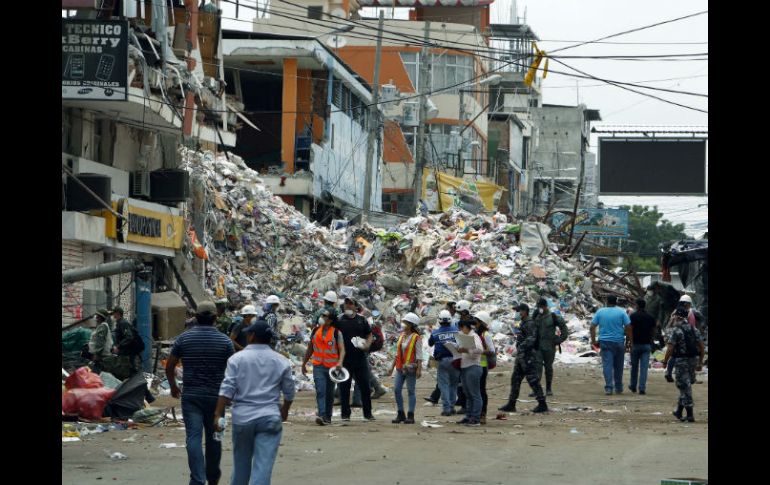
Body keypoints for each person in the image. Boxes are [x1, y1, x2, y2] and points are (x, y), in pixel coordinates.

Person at [214, 321, 294, 485]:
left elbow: (227, 387)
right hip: (270, 416)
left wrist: (217, 413)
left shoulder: (237, 359)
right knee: (263, 466)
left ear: (251, 336)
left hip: (242, 417)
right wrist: (285, 410)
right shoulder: (281, 361)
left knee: (241, 464)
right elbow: (289, 390)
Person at [166, 301, 234, 485]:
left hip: (191, 397)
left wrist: (173, 386)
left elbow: (170, 365)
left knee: (193, 438)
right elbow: (234, 371)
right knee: (215, 438)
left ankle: (197, 479)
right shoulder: (225, 341)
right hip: (217, 399)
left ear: (195, 318)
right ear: (215, 318)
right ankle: (213, 477)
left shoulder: (184, 339)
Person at [499, 304, 548, 413]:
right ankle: (511, 404)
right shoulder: (524, 322)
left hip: (528, 356)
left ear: (525, 311)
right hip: (521, 357)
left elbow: (532, 338)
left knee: (533, 381)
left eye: (519, 311)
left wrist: (521, 347)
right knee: (515, 380)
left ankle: (542, 404)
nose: (518, 313)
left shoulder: (530, 323)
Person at [301, 309, 345, 425]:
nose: (322, 317)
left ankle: (327, 417)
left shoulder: (336, 333)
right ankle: (322, 415)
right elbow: (310, 348)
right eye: (322, 315)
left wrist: (340, 362)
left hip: (332, 368)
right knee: (321, 391)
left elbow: (342, 350)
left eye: (325, 316)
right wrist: (304, 363)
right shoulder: (315, 331)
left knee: (329, 393)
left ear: (330, 320)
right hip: (318, 366)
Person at [335, 297, 376, 421]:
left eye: (350, 304)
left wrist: (367, 345)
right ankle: (345, 415)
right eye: (346, 304)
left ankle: (368, 414)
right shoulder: (339, 320)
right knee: (344, 388)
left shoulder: (362, 320)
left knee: (365, 386)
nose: (348, 306)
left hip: (360, 359)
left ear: (355, 306)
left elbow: (369, 334)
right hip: (345, 359)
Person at [662, 307, 705, 422]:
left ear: (677, 316)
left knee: (685, 387)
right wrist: (700, 362)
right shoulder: (693, 329)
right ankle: (679, 411)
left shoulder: (676, 330)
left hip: (682, 361)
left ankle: (690, 414)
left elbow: (670, 348)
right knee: (685, 385)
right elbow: (701, 346)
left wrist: (665, 361)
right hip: (693, 360)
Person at [590, 295, 632, 395]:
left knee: (607, 365)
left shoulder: (600, 312)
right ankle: (618, 387)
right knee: (618, 366)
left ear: (606, 301)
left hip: (605, 342)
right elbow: (628, 327)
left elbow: (592, 327)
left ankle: (609, 388)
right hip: (619, 342)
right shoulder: (622, 312)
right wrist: (628, 341)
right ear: (616, 301)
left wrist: (593, 341)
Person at [388, 313, 423, 424]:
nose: (404, 324)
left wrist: (419, 369)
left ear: (411, 324)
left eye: (406, 322)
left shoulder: (416, 337)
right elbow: (397, 354)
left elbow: (419, 355)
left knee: (411, 391)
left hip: (410, 368)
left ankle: (411, 415)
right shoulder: (402, 336)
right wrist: (392, 367)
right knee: (397, 390)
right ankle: (400, 413)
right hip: (399, 368)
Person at [532, 299, 569, 397]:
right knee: (537, 367)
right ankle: (536, 389)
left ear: (545, 306)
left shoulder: (553, 317)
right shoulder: (536, 316)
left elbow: (564, 329)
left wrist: (560, 339)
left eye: (540, 307)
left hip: (549, 346)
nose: (539, 309)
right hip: (538, 346)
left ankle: (548, 388)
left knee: (548, 368)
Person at [429, 310, 460, 416]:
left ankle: (446, 409)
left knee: (444, 385)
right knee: (453, 385)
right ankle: (451, 407)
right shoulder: (456, 330)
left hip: (442, 362)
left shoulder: (435, 332)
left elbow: (430, 343)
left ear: (440, 320)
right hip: (455, 360)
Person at [455, 319, 483, 426]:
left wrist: (466, 350)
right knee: (468, 394)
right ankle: (469, 416)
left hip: (473, 367)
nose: (461, 330)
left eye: (461, 328)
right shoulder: (466, 337)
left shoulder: (473, 336)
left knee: (474, 394)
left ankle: (475, 418)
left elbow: (479, 350)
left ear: (466, 327)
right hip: (466, 366)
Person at [628, 298, 656, 394]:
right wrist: (651, 341)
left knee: (634, 367)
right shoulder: (651, 317)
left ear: (637, 305)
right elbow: (653, 331)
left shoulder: (633, 316)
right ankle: (642, 388)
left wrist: (630, 343)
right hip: (646, 345)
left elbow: (630, 330)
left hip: (635, 344)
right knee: (644, 368)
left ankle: (633, 386)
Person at [473, 311, 496, 425]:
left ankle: (483, 414)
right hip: (476, 362)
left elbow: (491, 351)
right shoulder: (476, 333)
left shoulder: (485, 335)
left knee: (481, 388)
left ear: (481, 323)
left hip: (482, 363)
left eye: (476, 322)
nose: (474, 324)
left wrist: (480, 351)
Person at [453, 300, 474, 413]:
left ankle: (466, 406)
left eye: (461, 313)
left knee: (466, 382)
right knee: (461, 381)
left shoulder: (470, 324)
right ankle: (463, 403)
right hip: (463, 354)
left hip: (470, 356)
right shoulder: (464, 322)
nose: (459, 315)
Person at [112, 307, 142, 374]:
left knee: (130, 369)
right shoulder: (120, 323)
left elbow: (129, 337)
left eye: (114, 313)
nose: (113, 315)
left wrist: (118, 346)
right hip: (126, 351)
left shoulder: (123, 323)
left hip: (128, 352)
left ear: (118, 313)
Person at [88, 309, 113, 374]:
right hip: (101, 356)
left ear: (101, 317)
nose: (96, 318)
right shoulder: (101, 326)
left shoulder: (103, 326)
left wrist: (97, 354)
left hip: (101, 356)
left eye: (97, 316)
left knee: (96, 375)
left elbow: (100, 342)